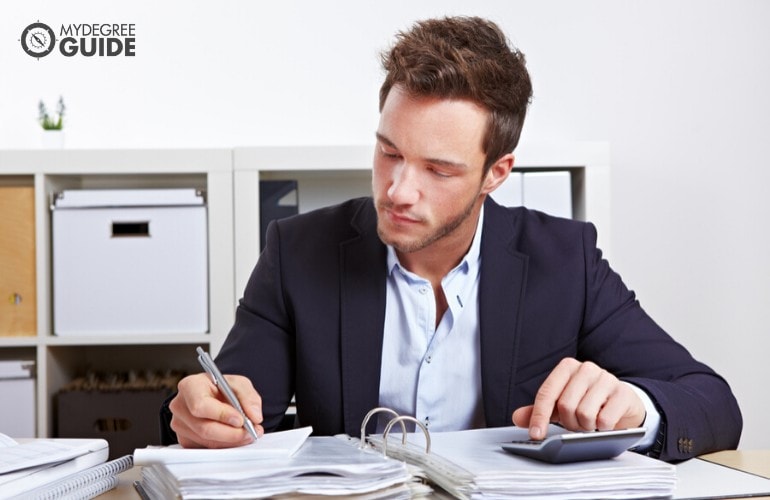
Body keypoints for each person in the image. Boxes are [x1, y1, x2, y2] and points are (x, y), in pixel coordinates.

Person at [161, 16, 741, 462]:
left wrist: (635, 407)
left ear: (497, 172)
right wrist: (198, 416)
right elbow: (218, 413)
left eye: (438, 170)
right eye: (389, 152)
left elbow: (713, 403)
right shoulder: (298, 252)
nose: (399, 190)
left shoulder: (566, 261)